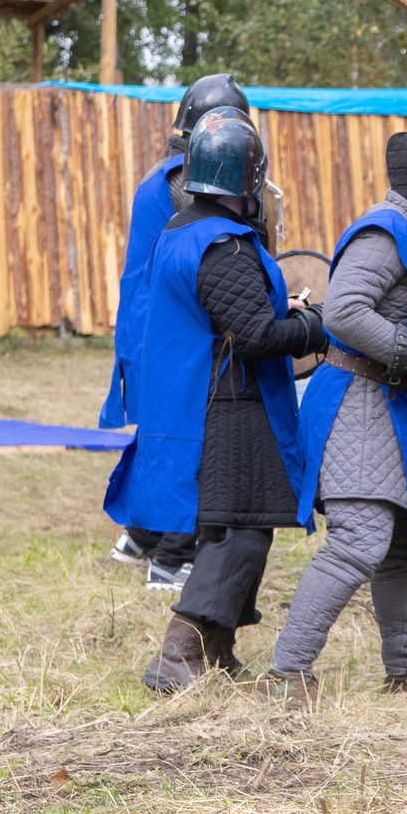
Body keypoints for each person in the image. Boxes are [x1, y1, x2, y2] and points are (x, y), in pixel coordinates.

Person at [108, 115, 327, 688]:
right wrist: (312, 326)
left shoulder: (180, 231)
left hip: (204, 400)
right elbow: (255, 337)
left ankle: (217, 648)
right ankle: (179, 652)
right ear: (248, 180)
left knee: (228, 528)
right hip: (227, 404)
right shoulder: (223, 246)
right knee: (241, 530)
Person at [266, 132, 407, 699]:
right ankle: (289, 671)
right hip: (358, 400)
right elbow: (343, 312)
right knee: (360, 539)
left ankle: (405, 675)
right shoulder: (384, 233)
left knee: (404, 545)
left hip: (396, 407)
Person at [103, 73, 252, 589]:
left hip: (148, 325)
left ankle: (140, 537)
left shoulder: (163, 175)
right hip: (170, 331)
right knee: (191, 441)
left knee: (161, 436)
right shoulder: (182, 184)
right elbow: (207, 256)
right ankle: (171, 557)